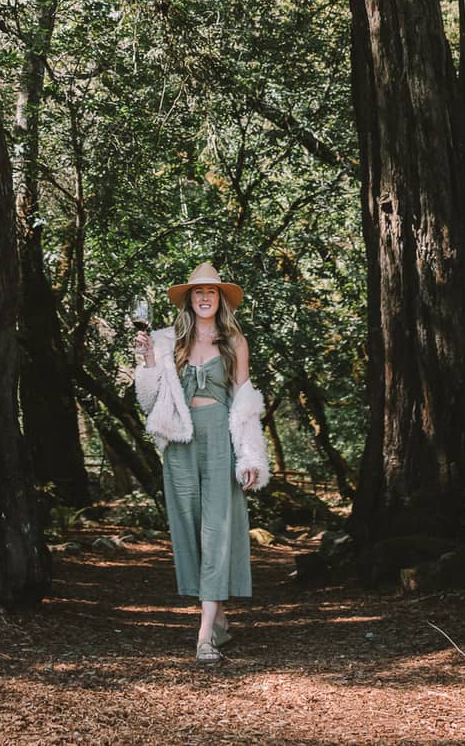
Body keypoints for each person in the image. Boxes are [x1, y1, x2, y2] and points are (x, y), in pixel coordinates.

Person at [134, 261, 269, 664]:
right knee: (191, 530)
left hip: (219, 440)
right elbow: (147, 400)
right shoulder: (167, 340)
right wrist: (147, 361)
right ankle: (220, 618)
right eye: (198, 292)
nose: (205, 297)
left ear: (221, 298)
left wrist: (249, 456)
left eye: (212, 292)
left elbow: (244, 403)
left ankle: (205, 635)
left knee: (216, 530)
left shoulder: (234, 341)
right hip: (181, 441)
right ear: (189, 300)